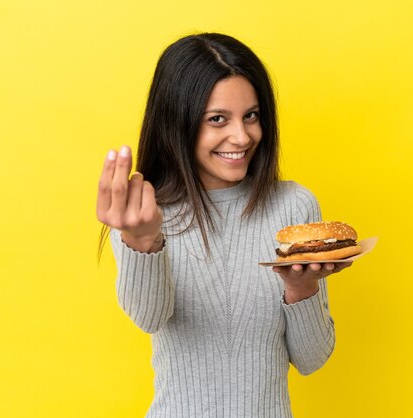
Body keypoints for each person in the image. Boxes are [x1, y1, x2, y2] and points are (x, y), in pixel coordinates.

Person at [96, 33, 352, 418]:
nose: (242, 136)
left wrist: (301, 287)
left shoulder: (294, 206)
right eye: (218, 119)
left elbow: (312, 359)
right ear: (177, 124)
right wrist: (142, 241)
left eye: (251, 115)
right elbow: (149, 319)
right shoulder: (145, 212)